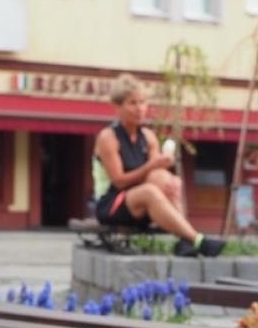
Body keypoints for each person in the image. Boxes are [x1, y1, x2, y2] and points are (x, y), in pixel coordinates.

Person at [92, 74, 224, 258]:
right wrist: (152, 165)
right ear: (118, 107)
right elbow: (119, 181)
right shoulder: (108, 137)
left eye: (143, 102)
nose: (139, 109)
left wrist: (164, 167)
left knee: (169, 181)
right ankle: (198, 239)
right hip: (112, 202)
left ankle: (185, 242)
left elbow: (156, 175)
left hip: (140, 201)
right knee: (150, 191)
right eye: (132, 103)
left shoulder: (148, 136)